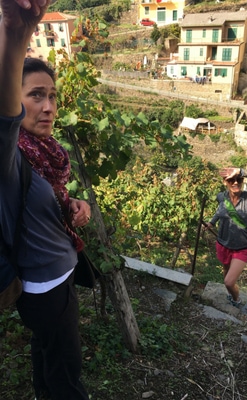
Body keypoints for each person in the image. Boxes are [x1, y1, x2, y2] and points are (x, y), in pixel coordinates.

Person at [0, 0, 91, 398]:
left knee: (47, 358)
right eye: (36, 95)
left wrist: (73, 204)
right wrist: (15, 33)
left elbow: (44, 199)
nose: (50, 107)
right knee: (67, 378)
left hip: (59, 277)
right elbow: (4, 120)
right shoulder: (10, 154)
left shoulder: (46, 154)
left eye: (52, 95)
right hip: (44, 288)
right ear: (14, 100)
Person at [204, 167, 247, 307]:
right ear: (225, 182)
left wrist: (241, 171)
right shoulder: (221, 197)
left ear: (242, 181)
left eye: (238, 180)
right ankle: (229, 293)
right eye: (230, 180)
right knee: (226, 273)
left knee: (228, 281)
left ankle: (236, 300)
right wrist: (212, 222)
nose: (235, 183)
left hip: (242, 247)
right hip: (223, 244)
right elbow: (220, 211)